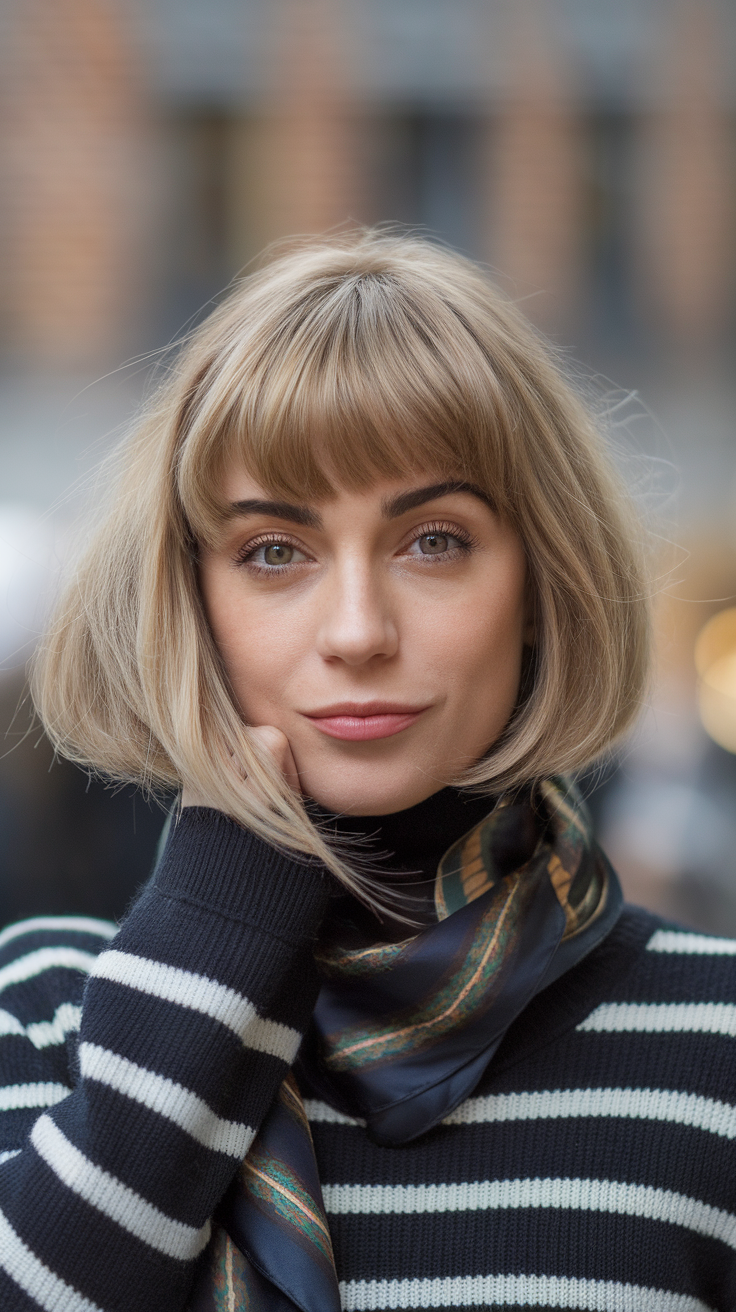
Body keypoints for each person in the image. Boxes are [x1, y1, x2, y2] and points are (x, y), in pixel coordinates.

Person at [0, 232, 733, 1312]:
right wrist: (217, 917)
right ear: (193, 603)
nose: (356, 630)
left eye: (433, 540)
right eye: (274, 552)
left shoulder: (713, 1046)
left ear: (539, 583)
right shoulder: (39, 1019)